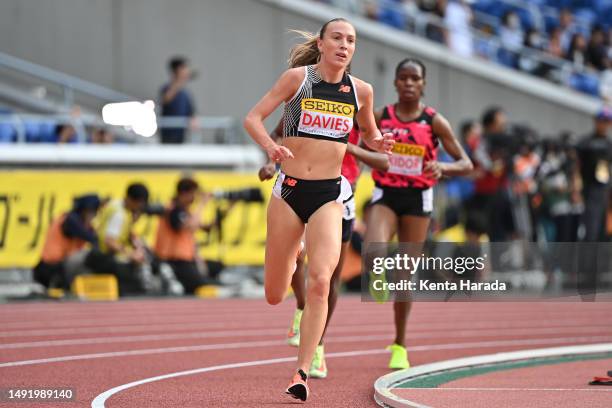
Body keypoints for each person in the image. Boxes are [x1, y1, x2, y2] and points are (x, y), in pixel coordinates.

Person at [244, 17, 394, 401]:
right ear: (323, 44)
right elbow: (253, 118)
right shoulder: (298, 79)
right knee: (275, 294)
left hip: (329, 193)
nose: (345, 45)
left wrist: (379, 143)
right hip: (289, 191)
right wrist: (271, 149)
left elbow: (370, 132)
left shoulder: (361, 91)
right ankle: (290, 254)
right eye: (338, 39)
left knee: (321, 282)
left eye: (352, 41)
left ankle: (301, 372)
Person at [364, 58, 472, 369]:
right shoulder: (381, 116)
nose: (409, 83)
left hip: (418, 201)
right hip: (386, 193)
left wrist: (444, 166)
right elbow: (356, 143)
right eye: (403, 78)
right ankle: (376, 274)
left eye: (415, 79)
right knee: (375, 252)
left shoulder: (434, 121)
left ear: (423, 84)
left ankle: (399, 345)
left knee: (404, 278)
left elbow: (466, 163)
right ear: (395, 83)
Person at [87, 182, 152, 295]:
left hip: (98, 252)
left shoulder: (116, 204)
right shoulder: (119, 214)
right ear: (134, 201)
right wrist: (131, 254)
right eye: (140, 204)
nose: (140, 208)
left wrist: (136, 243)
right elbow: (110, 241)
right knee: (133, 281)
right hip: (104, 256)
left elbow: (124, 232)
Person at [154, 177, 212, 294]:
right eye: (193, 194)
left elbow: (204, 227)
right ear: (184, 193)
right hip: (173, 260)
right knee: (203, 285)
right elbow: (191, 226)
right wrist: (202, 204)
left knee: (216, 267)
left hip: (186, 259)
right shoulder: (173, 209)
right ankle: (171, 281)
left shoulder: (185, 210)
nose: (194, 198)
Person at [33, 194, 101, 289]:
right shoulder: (70, 220)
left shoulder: (81, 223)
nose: (94, 216)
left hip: (58, 266)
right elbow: (93, 239)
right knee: (90, 256)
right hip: (50, 268)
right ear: (85, 210)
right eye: (93, 212)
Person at [160, 56, 196, 144]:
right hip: (168, 135)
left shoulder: (185, 93)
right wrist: (179, 81)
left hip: (181, 136)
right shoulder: (167, 88)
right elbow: (165, 100)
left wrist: (193, 119)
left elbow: (191, 112)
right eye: (184, 68)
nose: (187, 71)